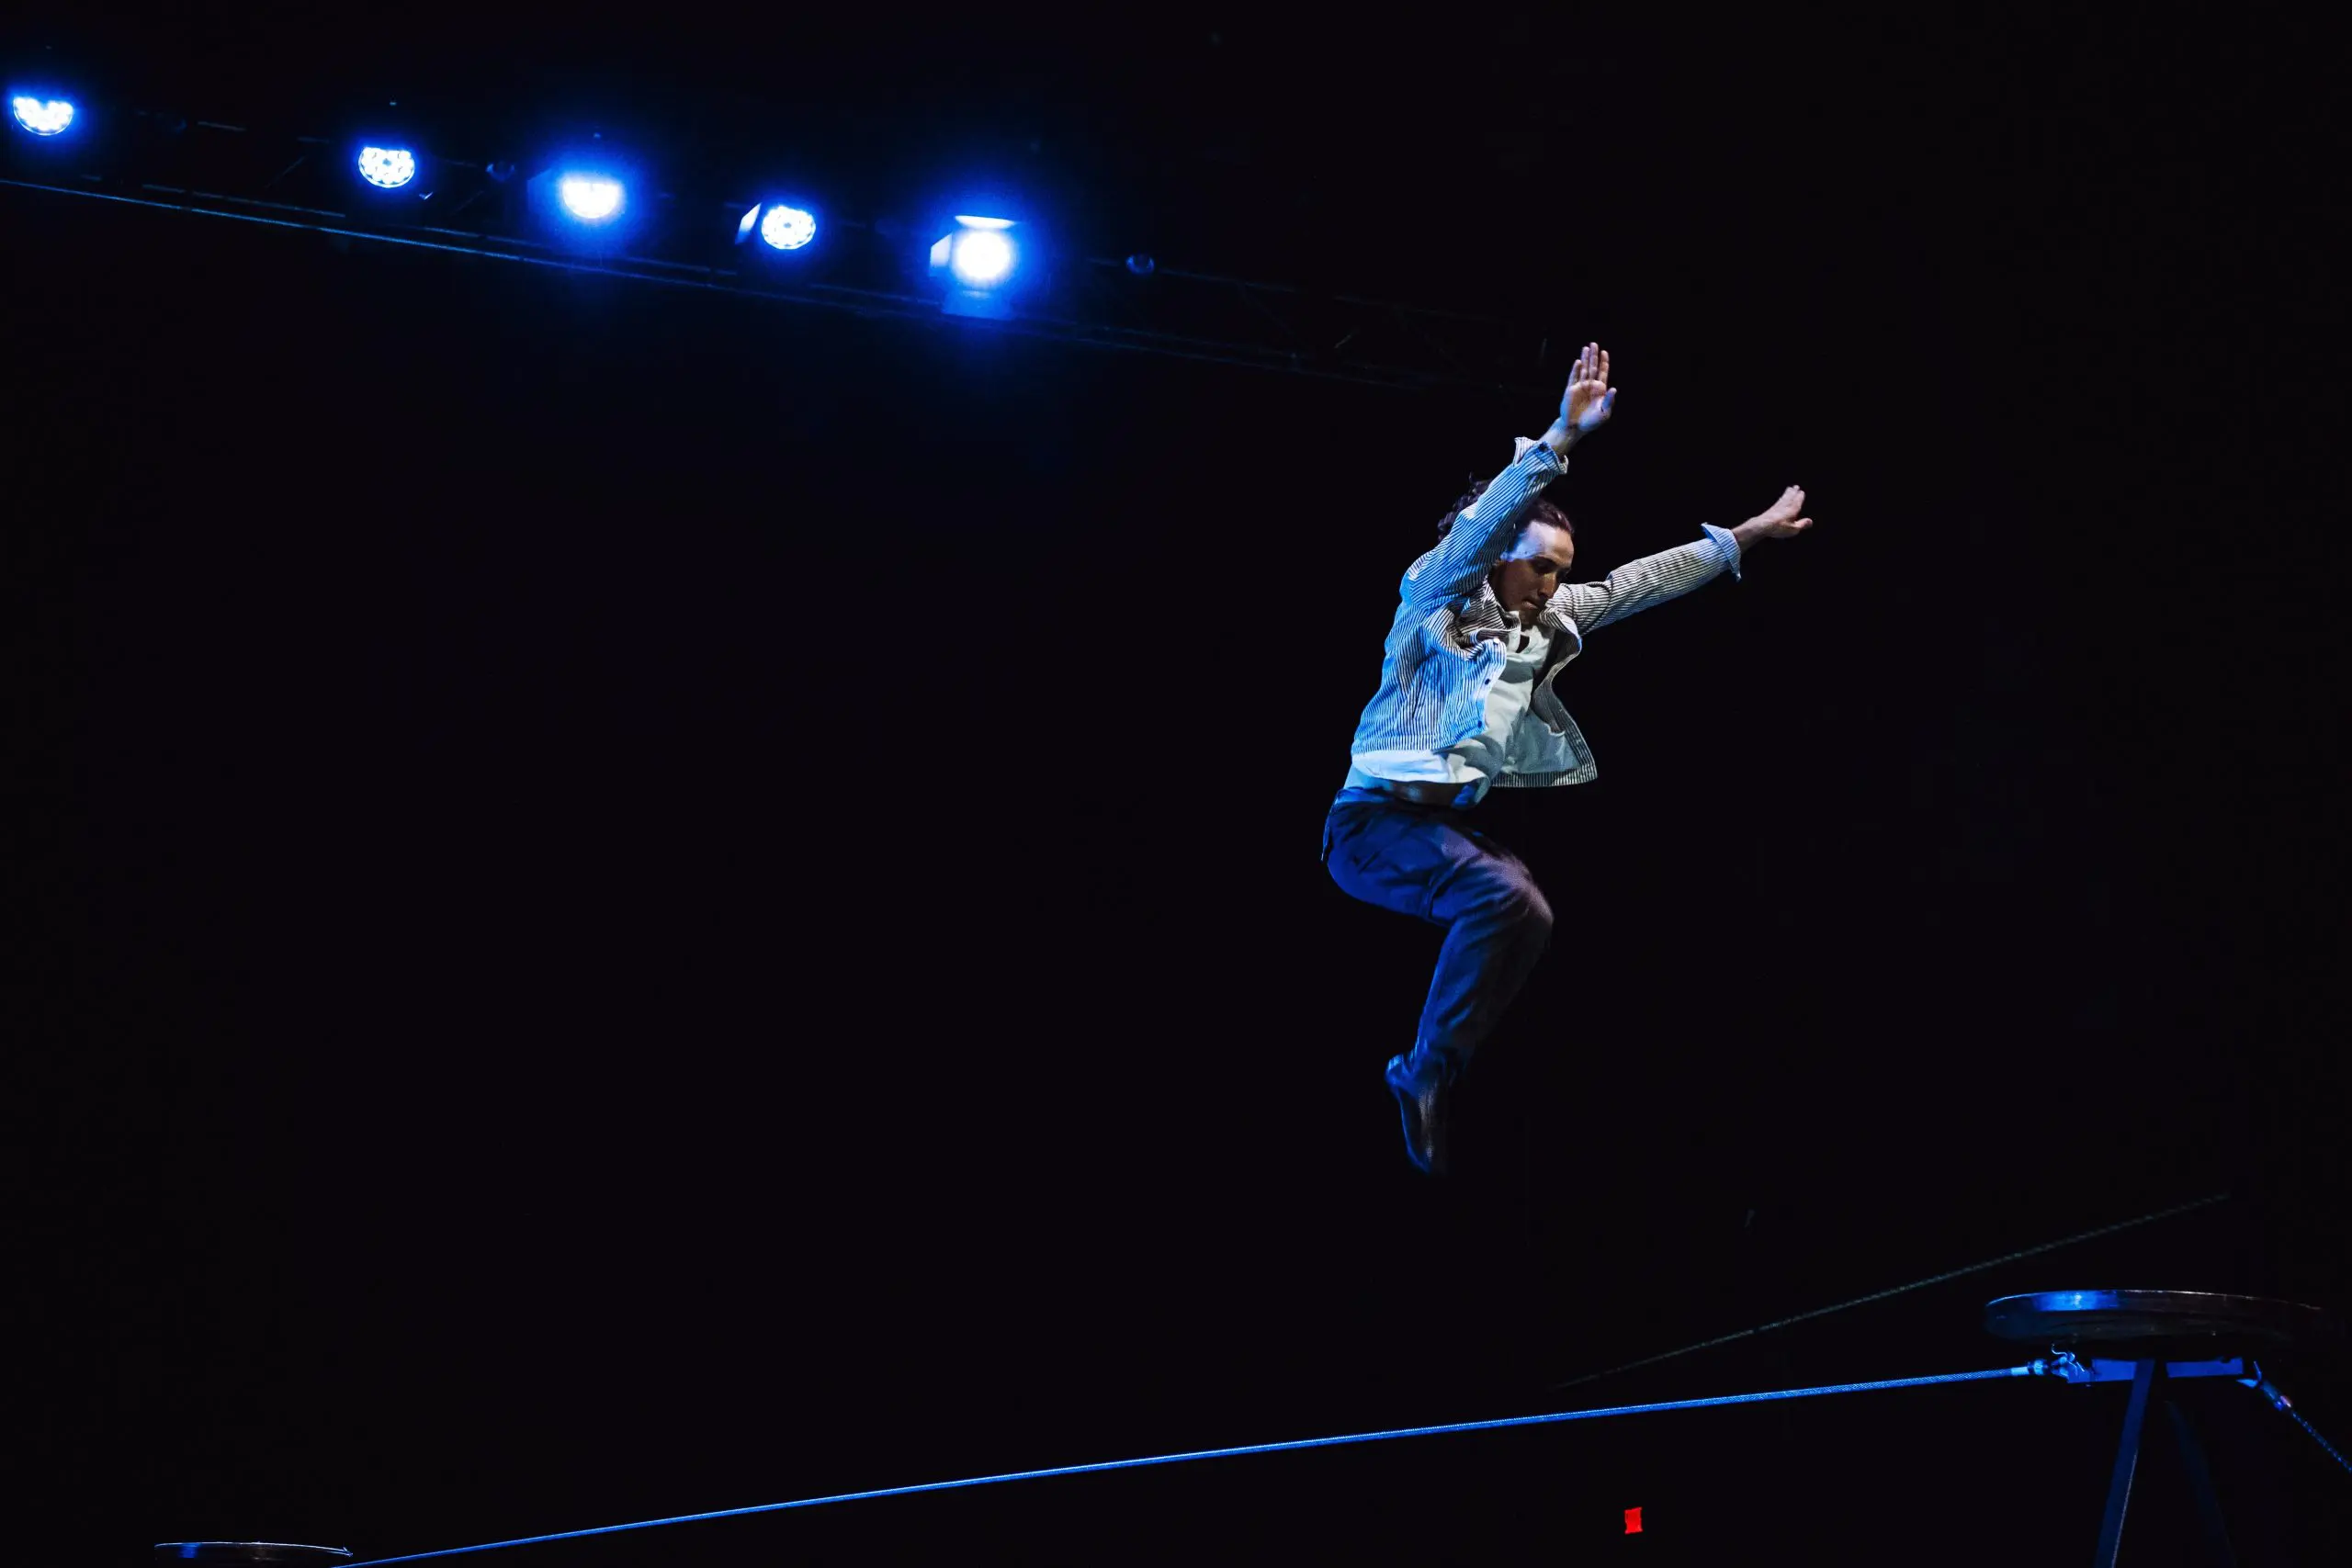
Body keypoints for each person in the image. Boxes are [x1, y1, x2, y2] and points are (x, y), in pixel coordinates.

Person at [1323, 343, 1814, 1174]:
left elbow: (1637, 582)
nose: (1552, 587)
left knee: (1528, 913)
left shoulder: (1550, 622)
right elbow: (1475, 534)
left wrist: (1747, 537)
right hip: (1371, 829)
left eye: (1562, 574)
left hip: (1439, 829)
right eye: (1540, 568)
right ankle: (1424, 1070)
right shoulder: (1434, 596)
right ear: (1501, 557)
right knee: (1503, 893)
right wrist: (1560, 438)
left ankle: (1427, 1071)